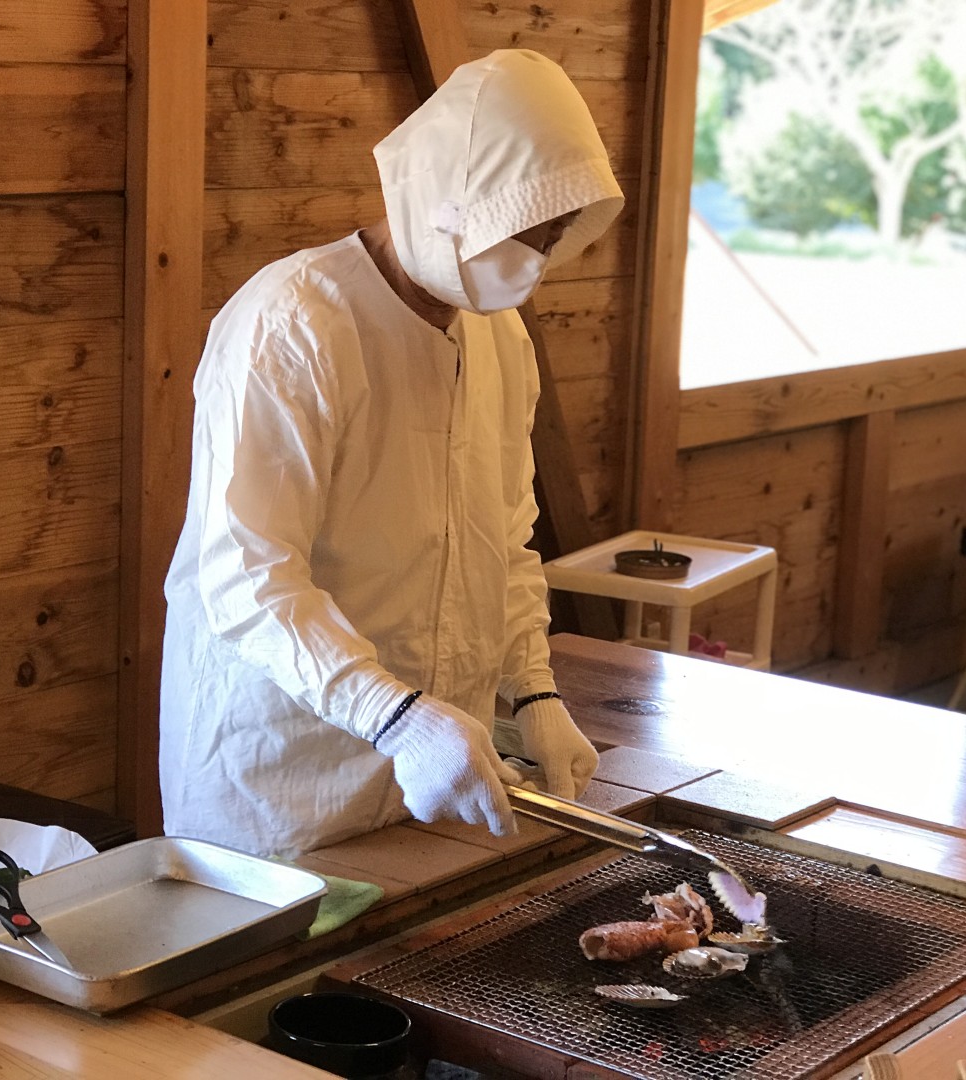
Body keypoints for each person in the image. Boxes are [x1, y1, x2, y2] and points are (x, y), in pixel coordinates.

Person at [160, 49, 625, 858]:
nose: (536, 258)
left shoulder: (500, 338)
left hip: (436, 780)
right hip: (284, 786)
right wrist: (393, 716)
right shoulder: (295, 324)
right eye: (523, 230)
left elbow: (503, 542)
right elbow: (245, 574)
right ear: (453, 200)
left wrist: (534, 690)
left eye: (549, 238)